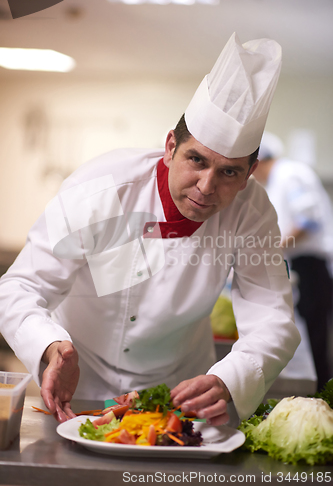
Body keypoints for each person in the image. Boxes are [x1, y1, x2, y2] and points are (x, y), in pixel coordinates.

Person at [0, 33, 300, 424]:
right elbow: (19, 287)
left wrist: (229, 379)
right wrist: (49, 345)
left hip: (179, 396)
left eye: (229, 171)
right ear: (171, 146)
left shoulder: (252, 212)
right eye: (197, 160)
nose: (207, 187)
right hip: (78, 388)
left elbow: (272, 317)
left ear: (249, 174)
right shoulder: (100, 187)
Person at [254, 132, 333, 390]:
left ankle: (322, 392)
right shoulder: (277, 179)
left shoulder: (290, 174)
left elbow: (307, 221)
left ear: (259, 161)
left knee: (316, 334)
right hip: (300, 263)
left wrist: (273, 248)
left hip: (312, 264)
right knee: (311, 331)